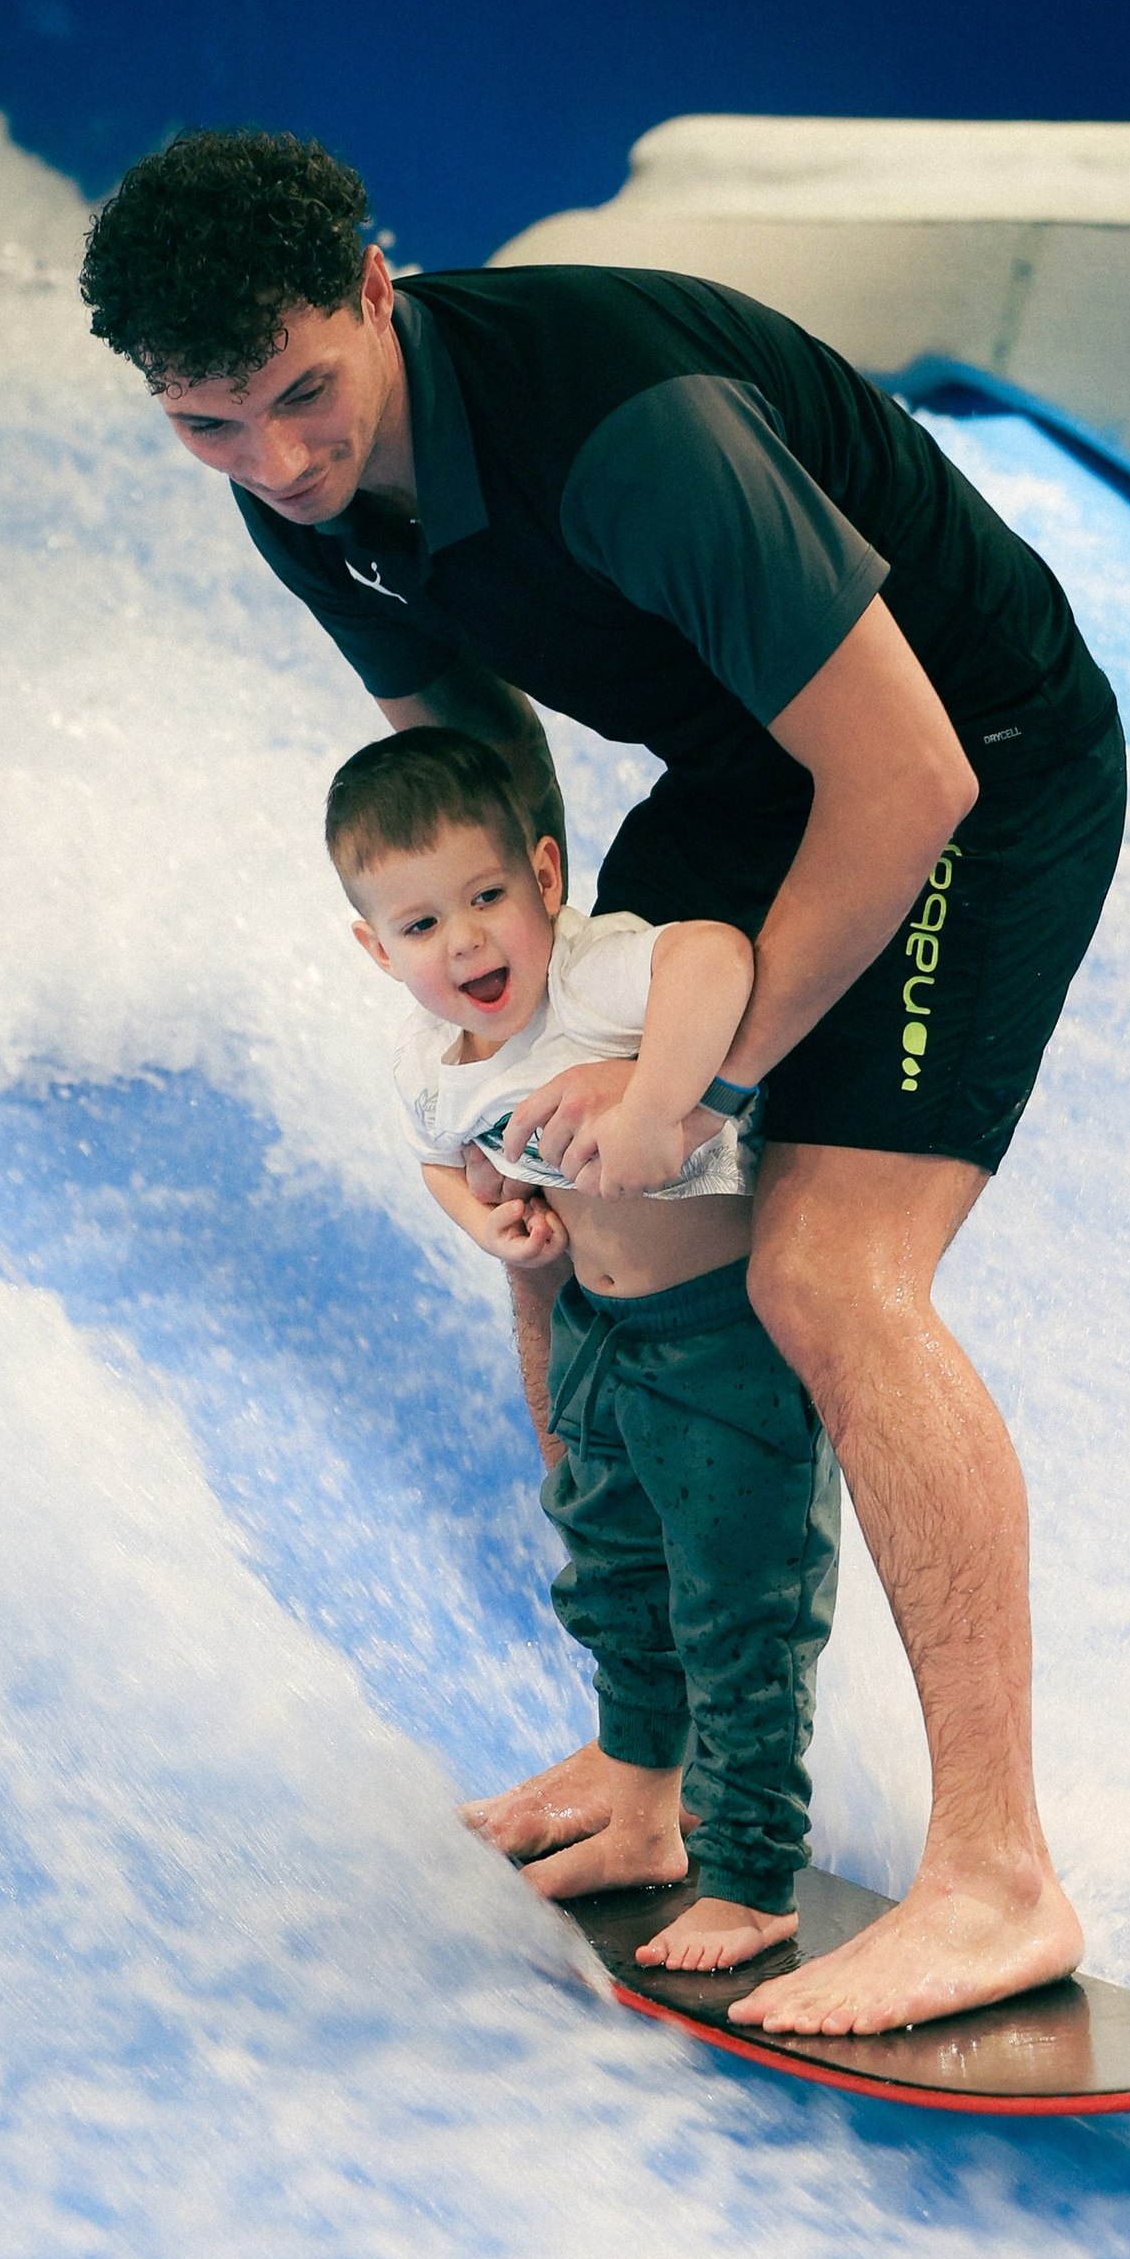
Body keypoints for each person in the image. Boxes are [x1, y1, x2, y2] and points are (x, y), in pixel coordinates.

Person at [79, 130, 1127, 2039]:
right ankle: (654, 1761)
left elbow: (909, 782)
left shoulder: (630, 431)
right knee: (572, 1230)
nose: (286, 465)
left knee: (826, 1275)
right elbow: (472, 780)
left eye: (308, 394)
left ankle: (998, 1875)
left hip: (975, 756)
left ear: (381, 287)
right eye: (214, 429)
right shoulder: (280, 472)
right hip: (748, 780)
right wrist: (512, 1074)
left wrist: (696, 1072)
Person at [331, 723, 839, 1974]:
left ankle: (753, 1875)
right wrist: (489, 1220)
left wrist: (662, 1100)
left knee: (739, 1612)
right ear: (373, 946)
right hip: (599, 1340)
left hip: (718, 1342)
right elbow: (440, 1149)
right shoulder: (427, 1045)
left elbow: (716, 959)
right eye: (418, 926)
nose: (462, 944)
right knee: (616, 1581)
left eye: (488, 898)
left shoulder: (596, 975)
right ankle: (643, 1818)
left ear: (546, 881)